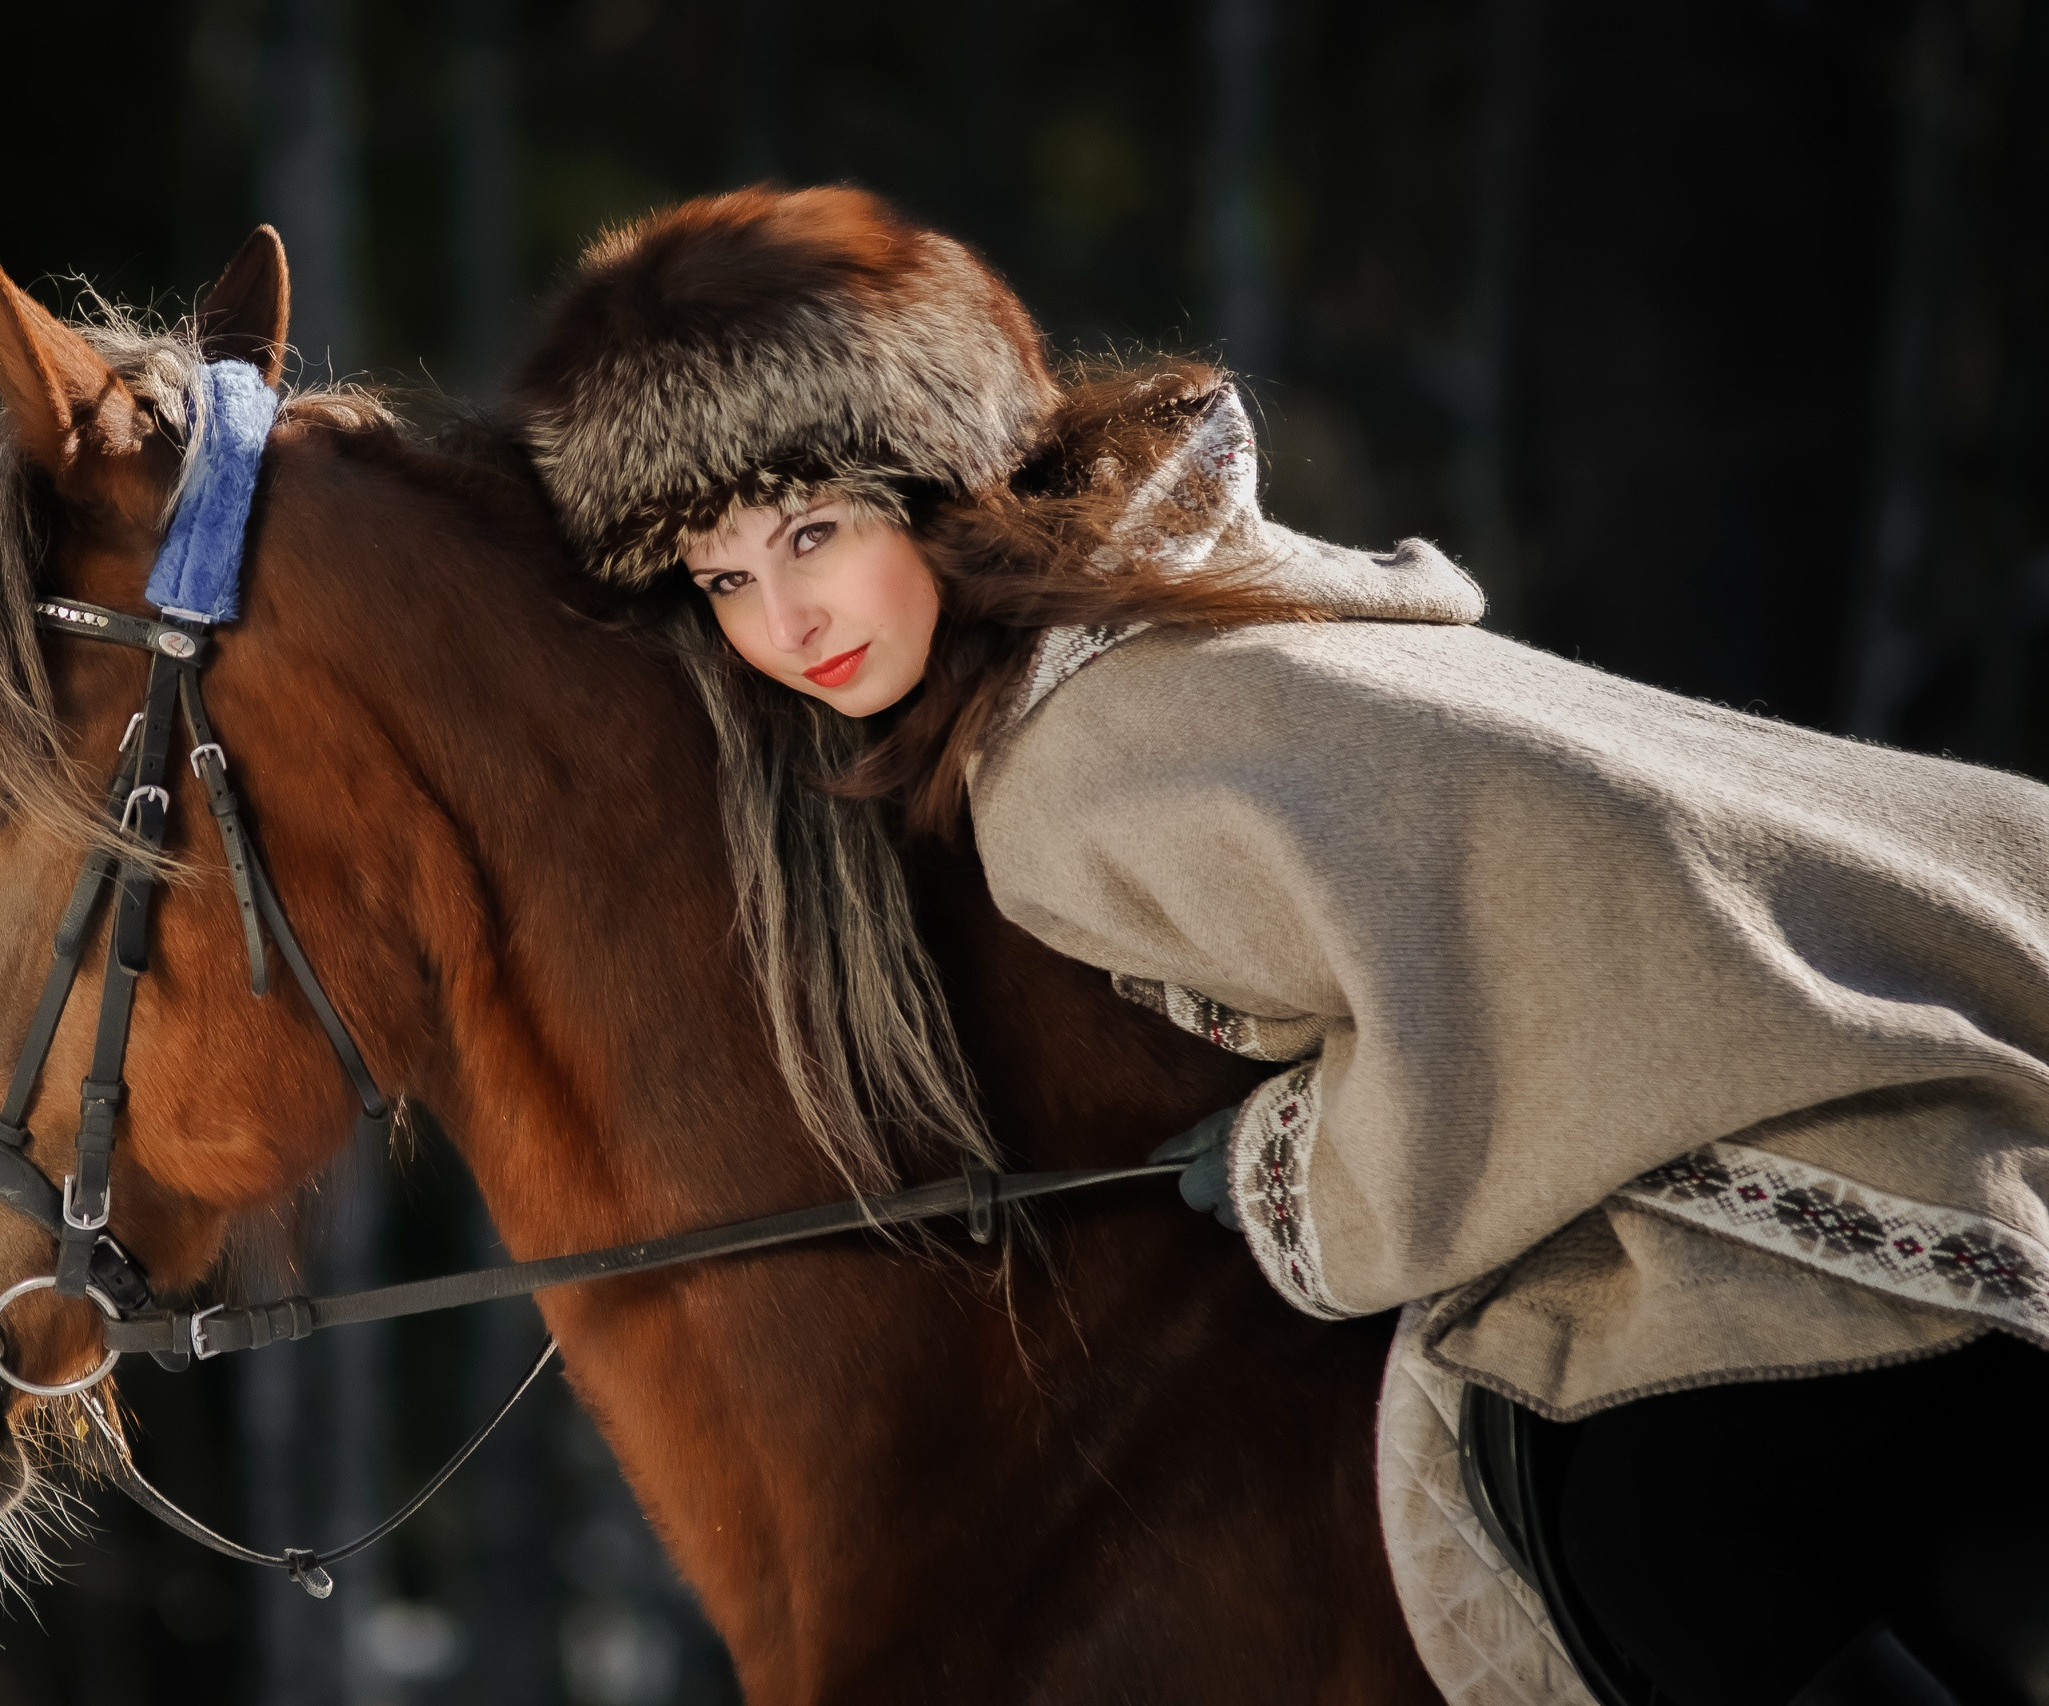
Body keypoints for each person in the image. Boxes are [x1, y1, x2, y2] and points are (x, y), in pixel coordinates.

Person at [504, 187, 2048, 1706]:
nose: (783, 618)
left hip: (1868, 1110)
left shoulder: (1075, 764)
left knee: (1655, 1530)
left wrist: (1273, 1175)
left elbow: (1468, 1021)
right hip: (1934, 959)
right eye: (721, 576)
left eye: (812, 530)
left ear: (932, 478)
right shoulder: (1162, 608)